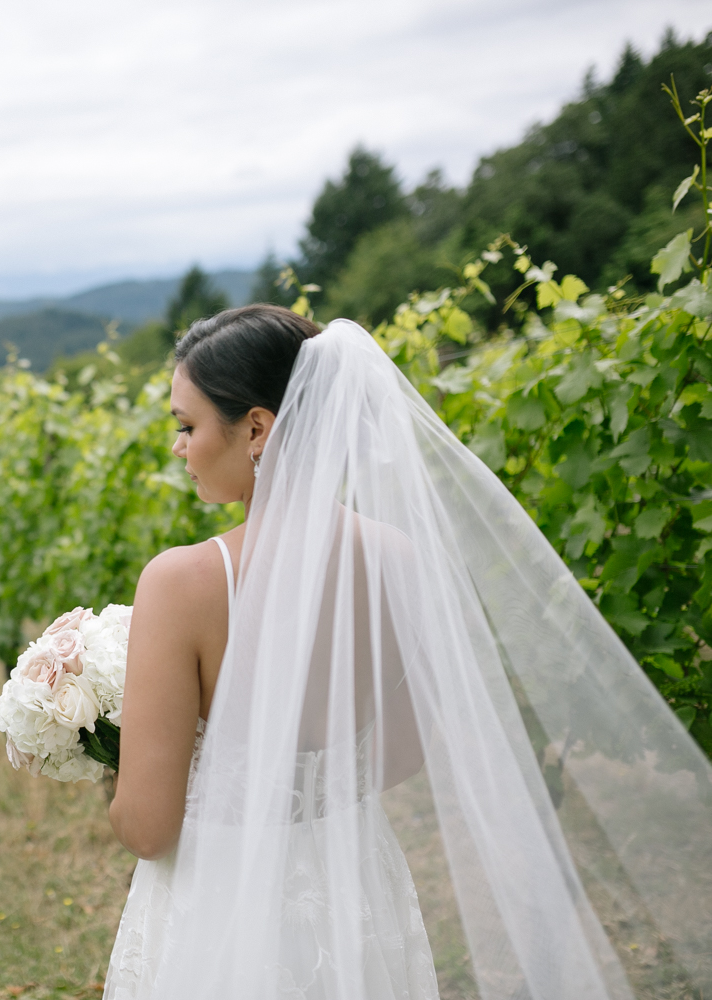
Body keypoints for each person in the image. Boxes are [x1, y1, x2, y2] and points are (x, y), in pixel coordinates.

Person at [103, 305, 712, 999]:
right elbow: (403, 752)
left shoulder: (182, 582)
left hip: (217, 912)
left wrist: (100, 743)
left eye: (187, 426)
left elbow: (148, 828)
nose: (179, 448)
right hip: (356, 899)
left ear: (256, 428)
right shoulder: (400, 559)